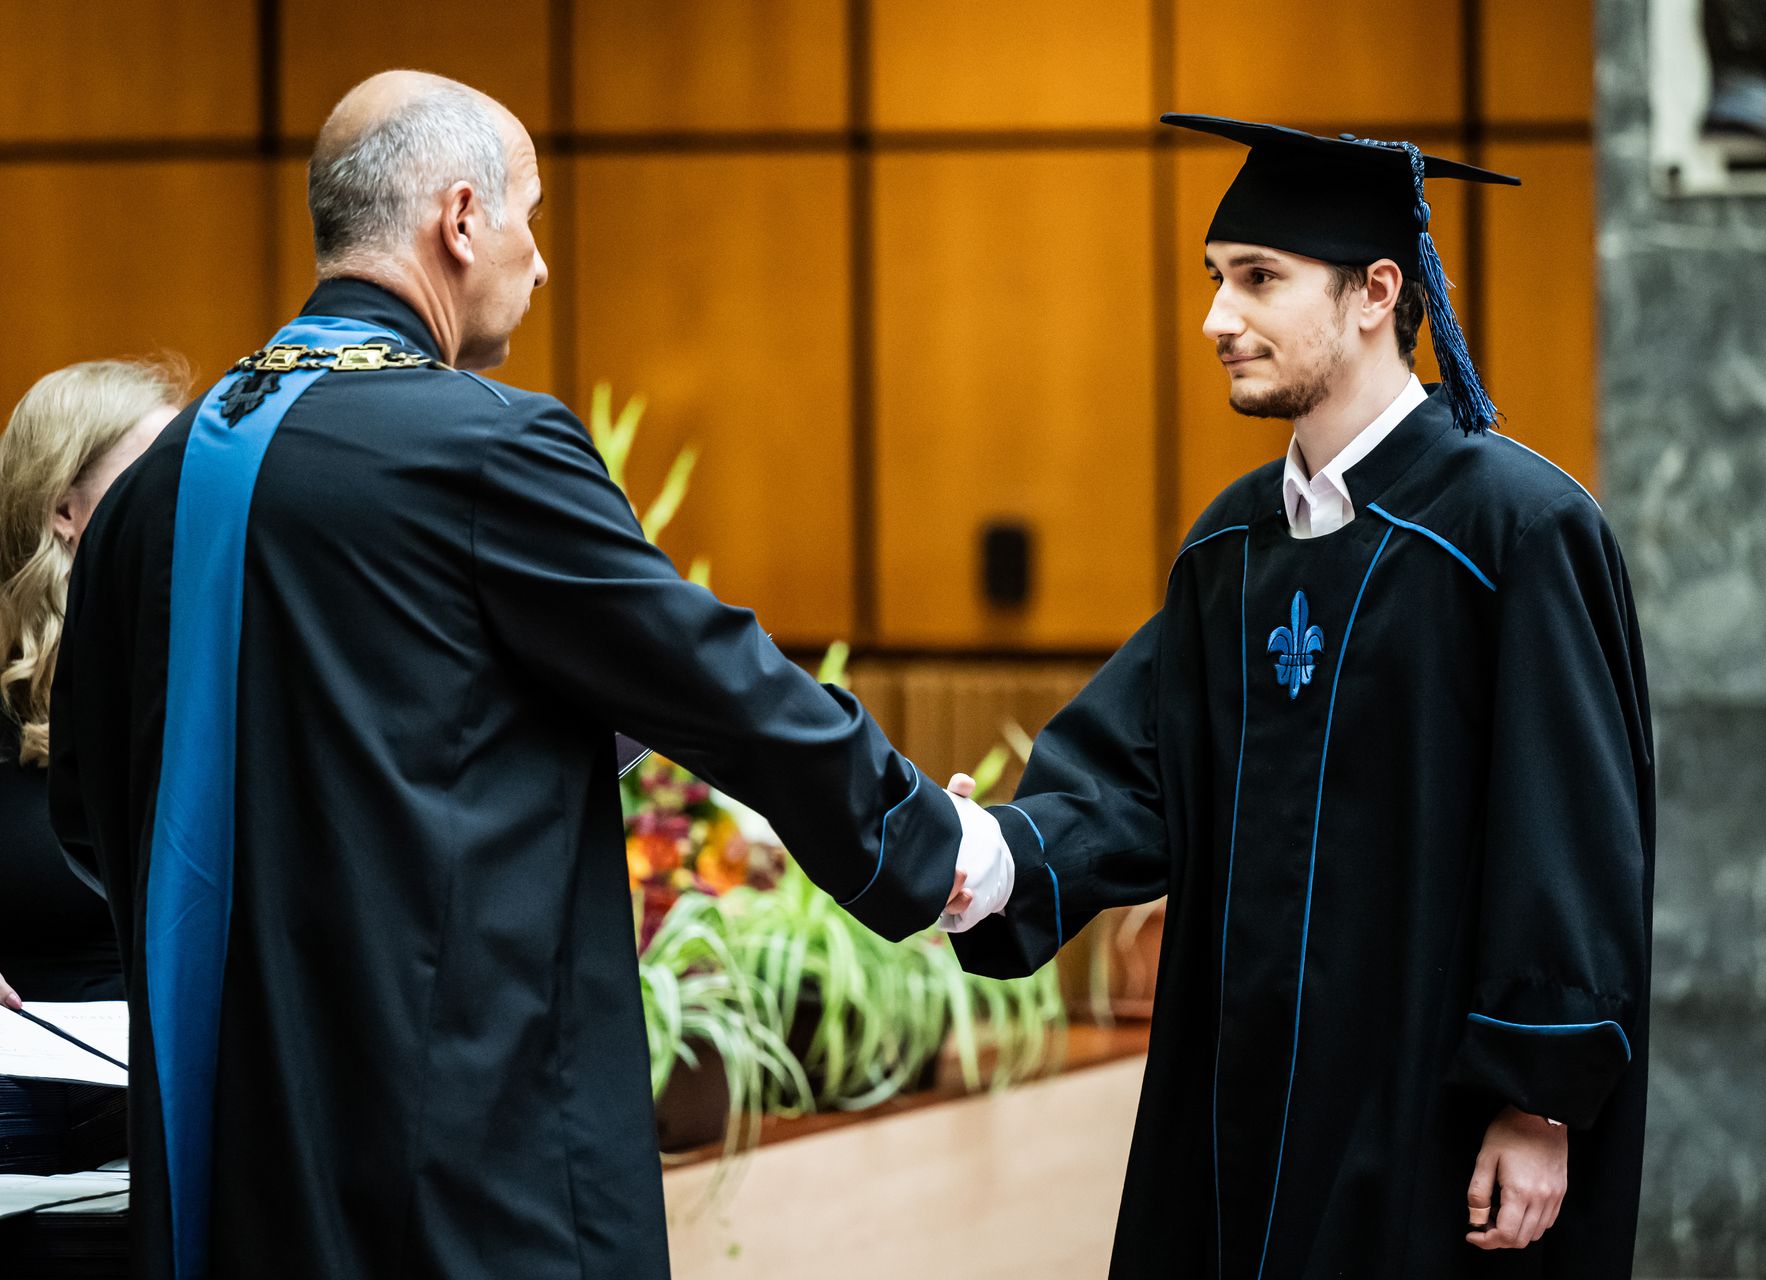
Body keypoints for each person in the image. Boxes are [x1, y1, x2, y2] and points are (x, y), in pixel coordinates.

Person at [48, 71, 1010, 1280]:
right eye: (531, 215)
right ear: (461, 219)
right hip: (458, 1155)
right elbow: (715, 681)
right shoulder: (483, 446)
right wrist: (931, 841)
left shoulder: (153, 486)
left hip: (228, 1158)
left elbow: (89, 811)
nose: (542, 263)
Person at [945, 115, 1654, 1278]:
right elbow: (1135, 778)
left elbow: (1568, 832)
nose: (1217, 318)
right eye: (1216, 279)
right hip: (1237, 1100)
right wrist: (988, 854)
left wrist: (1538, 1098)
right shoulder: (1231, 545)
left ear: (1375, 292)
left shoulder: (1515, 531)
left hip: (1424, 1108)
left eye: (1259, 278)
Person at [0, 358, 182, 1004]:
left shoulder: (213, 663)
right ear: (63, 510)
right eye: (156, 477)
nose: (185, 499)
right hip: (31, 1045)